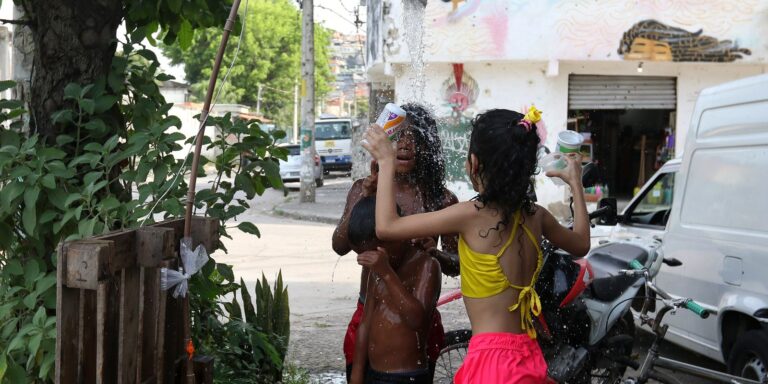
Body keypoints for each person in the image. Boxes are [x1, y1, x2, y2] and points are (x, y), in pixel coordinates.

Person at [363, 108, 591, 383]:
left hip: (491, 363)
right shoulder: (536, 216)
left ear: (473, 163)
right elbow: (581, 244)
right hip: (528, 354)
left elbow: (386, 227)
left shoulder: (470, 215)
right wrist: (576, 183)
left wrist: (386, 162)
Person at [333, 103, 459, 381]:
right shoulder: (364, 188)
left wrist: (436, 254)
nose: (405, 144)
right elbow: (339, 246)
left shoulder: (441, 199)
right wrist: (363, 198)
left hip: (417, 315)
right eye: (398, 135)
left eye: (415, 137)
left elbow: (457, 264)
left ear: (428, 146)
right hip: (370, 309)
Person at [347, 196, 441, 384]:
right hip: (374, 372)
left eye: (374, 254)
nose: (373, 261)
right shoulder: (377, 270)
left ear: (395, 235)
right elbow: (365, 324)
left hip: (406, 376)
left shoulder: (426, 265)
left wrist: (387, 273)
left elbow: (417, 321)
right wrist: (357, 372)